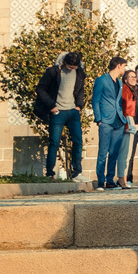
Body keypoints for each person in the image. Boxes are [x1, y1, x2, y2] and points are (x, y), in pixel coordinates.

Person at [34, 50, 86, 181]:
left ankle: (77, 172)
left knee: (78, 141)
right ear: (64, 63)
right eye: (70, 67)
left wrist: (79, 106)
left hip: (73, 112)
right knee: (54, 142)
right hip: (57, 112)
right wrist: (51, 106)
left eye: (74, 67)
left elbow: (80, 90)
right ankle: (50, 173)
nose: (72, 69)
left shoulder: (79, 72)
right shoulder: (53, 71)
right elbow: (40, 88)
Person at [92, 56, 127, 190]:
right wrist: (98, 119)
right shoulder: (101, 80)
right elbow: (95, 100)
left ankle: (110, 181)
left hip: (118, 121)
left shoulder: (119, 82)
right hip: (105, 121)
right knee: (103, 152)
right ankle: (101, 182)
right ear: (118, 65)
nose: (125, 69)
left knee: (114, 153)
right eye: (124, 66)